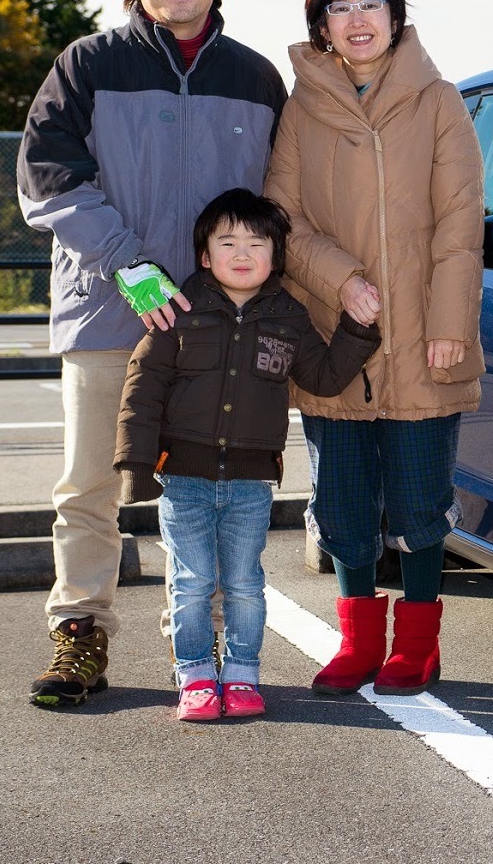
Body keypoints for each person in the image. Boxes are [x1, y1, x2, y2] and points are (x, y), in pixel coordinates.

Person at [17, 0, 287, 708]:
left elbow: (280, 203)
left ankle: (200, 655)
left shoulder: (257, 79)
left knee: (208, 492)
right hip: (110, 312)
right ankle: (81, 634)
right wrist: (127, 264)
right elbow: (48, 178)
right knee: (90, 485)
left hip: (218, 328)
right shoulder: (88, 65)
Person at [264, 0, 484, 696]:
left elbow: (460, 224)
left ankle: (418, 645)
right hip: (336, 336)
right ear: (321, 27)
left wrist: (449, 319)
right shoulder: (301, 108)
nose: (356, 19)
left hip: (426, 334)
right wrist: (342, 277)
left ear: (394, 16)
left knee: (421, 501)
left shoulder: (439, 102)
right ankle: (359, 643)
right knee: (344, 500)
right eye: (340, 8)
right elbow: (282, 220)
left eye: (370, 4)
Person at [116, 188, 379, 720]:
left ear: (275, 257)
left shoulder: (290, 317)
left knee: (243, 583)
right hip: (183, 477)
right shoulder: (179, 312)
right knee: (189, 583)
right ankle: (193, 676)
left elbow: (324, 378)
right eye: (227, 241)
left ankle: (240, 676)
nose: (242, 253)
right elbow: (143, 387)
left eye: (257, 243)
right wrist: (136, 464)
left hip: (250, 483)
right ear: (204, 256)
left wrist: (357, 329)